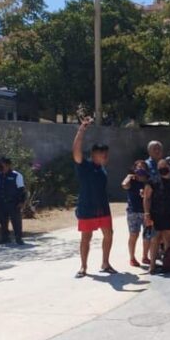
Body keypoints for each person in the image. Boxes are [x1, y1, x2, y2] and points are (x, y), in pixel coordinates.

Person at [72, 118, 114, 278]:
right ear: (93, 155)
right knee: (86, 238)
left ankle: (105, 263)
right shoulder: (84, 166)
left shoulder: (103, 169)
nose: (105, 155)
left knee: (109, 234)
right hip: (87, 208)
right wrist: (81, 130)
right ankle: (83, 267)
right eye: (102, 153)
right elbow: (76, 150)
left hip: (103, 208)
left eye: (106, 153)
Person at [144, 158, 170, 274]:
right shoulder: (152, 181)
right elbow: (147, 198)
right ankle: (152, 266)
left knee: (169, 241)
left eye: (164, 167)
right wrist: (147, 214)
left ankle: (168, 264)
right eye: (160, 167)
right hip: (155, 215)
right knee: (154, 240)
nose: (162, 169)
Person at [0, 156, 26, 244]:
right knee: (3, 221)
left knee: (16, 221)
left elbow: (22, 190)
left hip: (13, 203)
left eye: (1, 164)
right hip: (0, 203)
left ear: (8, 165)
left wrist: (22, 202)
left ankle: (18, 238)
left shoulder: (16, 175)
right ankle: (5, 238)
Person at [121, 160, 149, 267]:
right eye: (138, 167)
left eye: (143, 167)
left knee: (147, 236)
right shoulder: (131, 181)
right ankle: (132, 258)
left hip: (146, 212)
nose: (140, 169)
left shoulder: (148, 181)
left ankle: (145, 256)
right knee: (134, 234)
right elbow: (124, 185)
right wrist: (129, 176)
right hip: (133, 211)